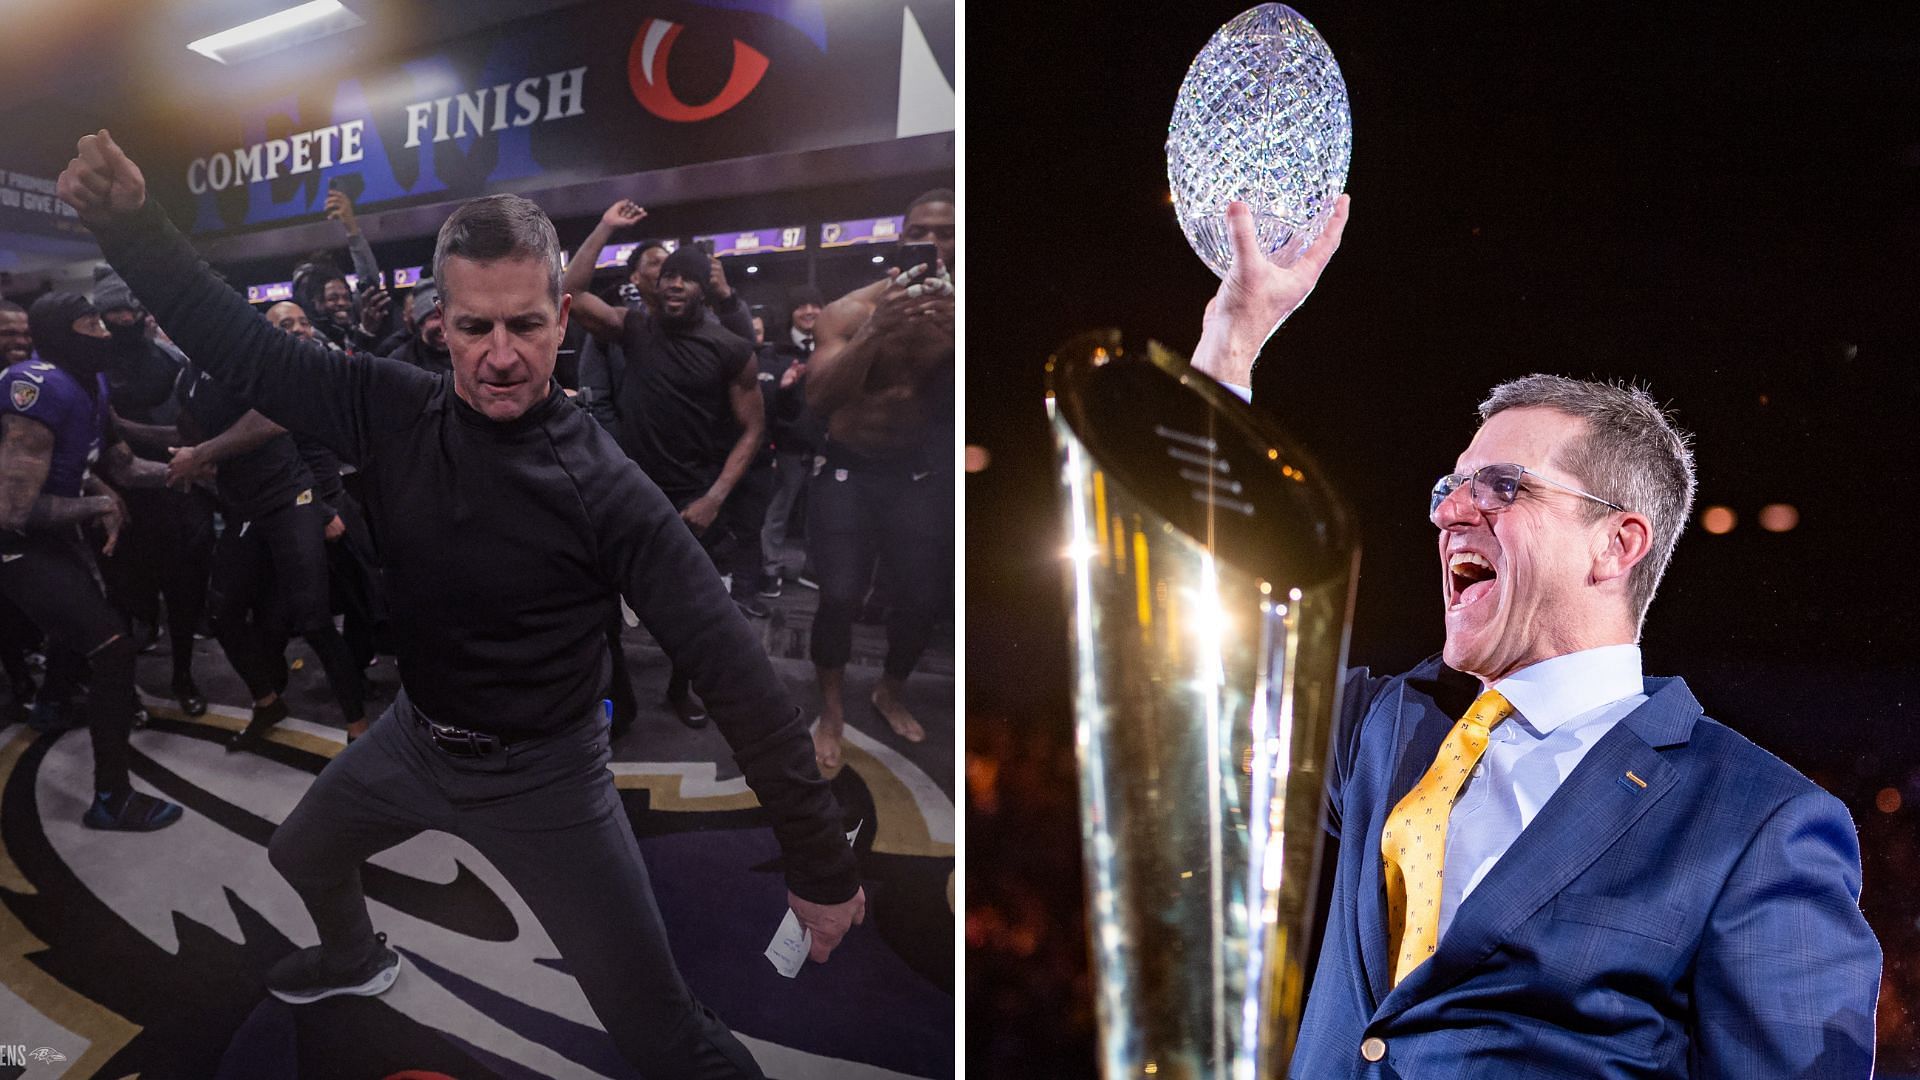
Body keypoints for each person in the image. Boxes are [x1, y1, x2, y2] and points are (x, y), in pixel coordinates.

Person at [61, 129, 863, 1077]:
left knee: (664, 1040)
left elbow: (735, 671)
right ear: (440, 322)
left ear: (564, 320)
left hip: (548, 779)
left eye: (526, 325)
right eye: (475, 327)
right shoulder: (390, 405)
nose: (501, 356)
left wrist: (818, 863)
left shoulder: (605, 488)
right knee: (301, 856)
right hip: (414, 740)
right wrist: (131, 227)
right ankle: (358, 959)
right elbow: (236, 340)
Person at [1186, 196, 1880, 1077]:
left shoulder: (1753, 821)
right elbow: (1195, 631)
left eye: (1503, 488)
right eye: (1450, 485)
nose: (1449, 511)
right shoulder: (1387, 730)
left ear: (1616, 543)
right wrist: (1232, 343)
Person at [564, 219, 772, 728]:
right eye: (668, 275)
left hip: (693, 501)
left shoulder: (729, 348)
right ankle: (619, 696)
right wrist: (607, 226)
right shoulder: (634, 331)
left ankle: (681, 691)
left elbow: (753, 430)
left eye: (688, 276)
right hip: (630, 493)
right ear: (654, 284)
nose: (675, 282)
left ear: (704, 286)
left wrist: (716, 498)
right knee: (602, 605)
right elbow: (568, 291)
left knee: (694, 615)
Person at [0, 290, 184, 830]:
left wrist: (189, 467)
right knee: (111, 649)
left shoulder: (91, 383)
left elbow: (121, 465)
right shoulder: (36, 390)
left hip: (50, 535)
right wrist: (98, 503)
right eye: (90, 325)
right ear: (61, 334)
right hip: (13, 541)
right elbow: (13, 511)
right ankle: (111, 800)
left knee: (78, 617)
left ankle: (51, 706)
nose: (104, 334)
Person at [169, 308, 369, 748]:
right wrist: (116, 429)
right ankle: (267, 702)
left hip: (288, 497)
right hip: (243, 506)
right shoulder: (187, 376)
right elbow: (189, 433)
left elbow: (273, 419)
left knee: (314, 619)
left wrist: (200, 453)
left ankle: (359, 730)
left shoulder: (240, 359)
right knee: (223, 613)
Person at [804, 189, 956, 771]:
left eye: (947, 234)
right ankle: (831, 709)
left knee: (921, 602)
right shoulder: (849, 311)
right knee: (838, 596)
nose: (935, 243)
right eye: (922, 231)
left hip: (914, 474)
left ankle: (888, 690)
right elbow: (819, 401)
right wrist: (878, 330)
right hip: (848, 469)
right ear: (903, 236)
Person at [92, 269, 213, 716]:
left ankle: (183, 676)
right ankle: (124, 689)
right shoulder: (92, 367)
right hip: (120, 502)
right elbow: (96, 445)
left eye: (130, 308)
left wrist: (129, 429)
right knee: (123, 601)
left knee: (184, 595)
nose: (125, 317)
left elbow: (193, 429)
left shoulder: (168, 358)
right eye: (114, 311)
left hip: (177, 491)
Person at [757, 288, 824, 597]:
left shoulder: (832, 346)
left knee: (820, 514)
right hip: (787, 445)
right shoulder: (774, 352)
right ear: (791, 313)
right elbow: (767, 403)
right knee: (778, 511)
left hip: (826, 447)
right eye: (802, 305)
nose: (810, 311)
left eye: (816, 305)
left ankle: (812, 569)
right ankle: (770, 569)